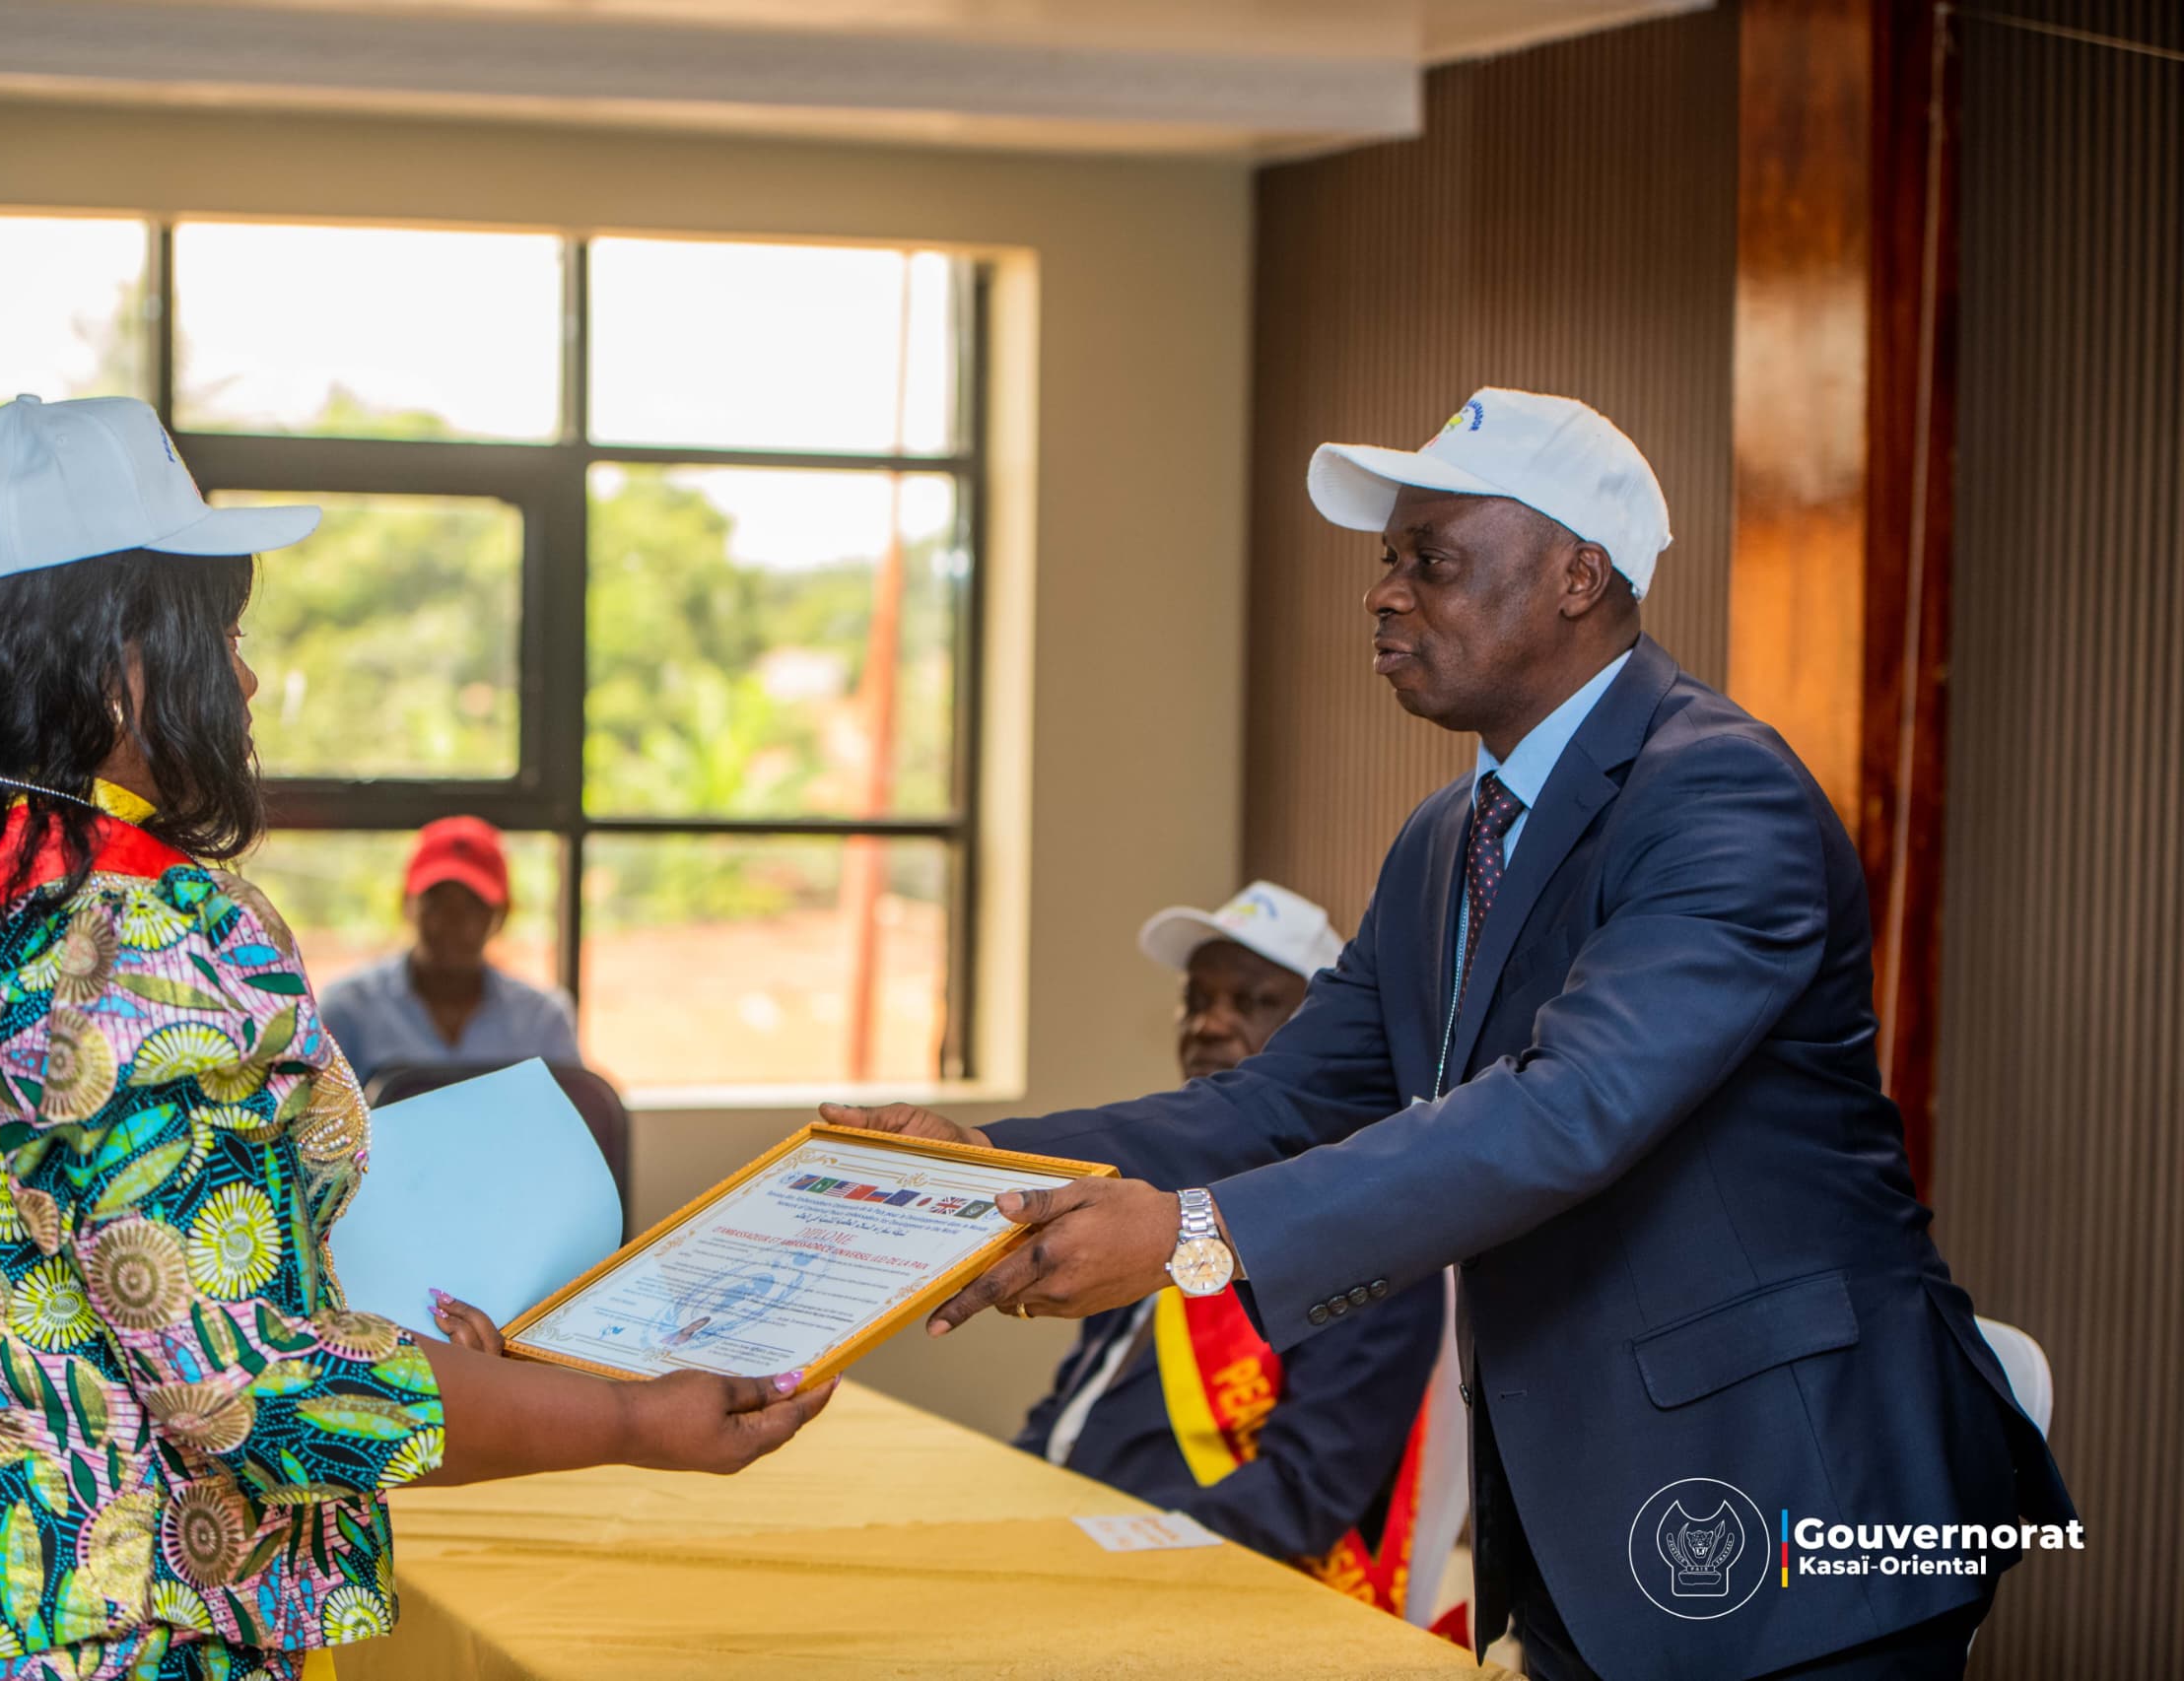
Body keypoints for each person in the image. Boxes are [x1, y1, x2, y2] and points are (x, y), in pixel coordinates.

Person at [826, 389, 2075, 1679]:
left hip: (1792, 1493)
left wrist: (1195, 1232)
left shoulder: (1719, 788)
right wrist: (991, 1165)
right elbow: (1280, 1097)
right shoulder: (1443, 841)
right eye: (1388, 560)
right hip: (1592, 1518)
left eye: (1433, 560)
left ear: (1579, 576)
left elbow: (1568, 1107)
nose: (1384, 593)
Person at [0, 394, 832, 1681]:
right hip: (80, 1624)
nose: (244, 681)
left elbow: (35, 1263)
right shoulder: (137, 932)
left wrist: (374, 1328)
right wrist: (631, 1418)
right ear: (119, 657)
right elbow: (247, 1390)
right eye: (224, 637)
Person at [1015, 882, 1443, 1603]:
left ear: (1327, 1034)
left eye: (1251, 1002)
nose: (1209, 1025)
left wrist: (1099, 1552)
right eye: (1197, 999)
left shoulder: (1369, 1234)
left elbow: (1302, 1496)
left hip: (1201, 1587)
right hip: (1075, 1543)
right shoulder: (1161, 1197)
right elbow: (1076, 1402)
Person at [318, 818, 580, 1089]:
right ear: (407, 904)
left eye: (472, 905)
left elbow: (572, 1112)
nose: (452, 920)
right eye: (436, 901)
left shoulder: (543, 1020)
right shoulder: (347, 1012)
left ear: (501, 916)